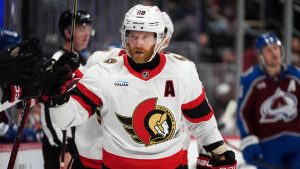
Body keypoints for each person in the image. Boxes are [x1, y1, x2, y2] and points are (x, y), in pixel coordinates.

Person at [49, 4, 236, 169]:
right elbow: (64, 120)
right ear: (125, 36)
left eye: (145, 37)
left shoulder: (182, 71)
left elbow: (202, 121)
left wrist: (219, 149)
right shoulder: (104, 71)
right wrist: (57, 96)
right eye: (133, 36)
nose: (138, 43)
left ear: (158, 38)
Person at [237, 32, 300, 169]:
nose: (274, 53)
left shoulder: (295, 76)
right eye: (268, 50)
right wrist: (249, 140)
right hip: (268, 145)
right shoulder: (251, 79)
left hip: (296, 143)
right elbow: (243, 114)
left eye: (276, 48)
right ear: (261, 56)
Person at [40, 9, 93, 169]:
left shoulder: (83, 61)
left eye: (88, 29)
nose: (87, 34)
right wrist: (64, 150)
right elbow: (48, 108)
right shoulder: (57, 61)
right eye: (81, 29)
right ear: (67, 32)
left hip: (75, 146)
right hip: (60, 149)